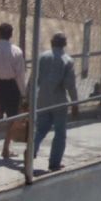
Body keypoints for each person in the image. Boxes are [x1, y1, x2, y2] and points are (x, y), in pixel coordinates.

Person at [29, 32, 77, 173]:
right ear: (65, 44)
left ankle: (31, 151)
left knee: (41, 129)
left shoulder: (42, 57)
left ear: (51, 43)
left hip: (42, 98)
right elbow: (70, 85)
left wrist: (28, 96)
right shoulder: (67, 60)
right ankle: (54, 163)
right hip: (59, 101)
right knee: (60, 132)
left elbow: (33, 79)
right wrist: (75, 102)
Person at [0, 22, 26, 160]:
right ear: (10, 35)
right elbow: (20, 74)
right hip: (11, 87)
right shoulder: (16, 51)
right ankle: (5, 148)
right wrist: (23, 92)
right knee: (12, 119)